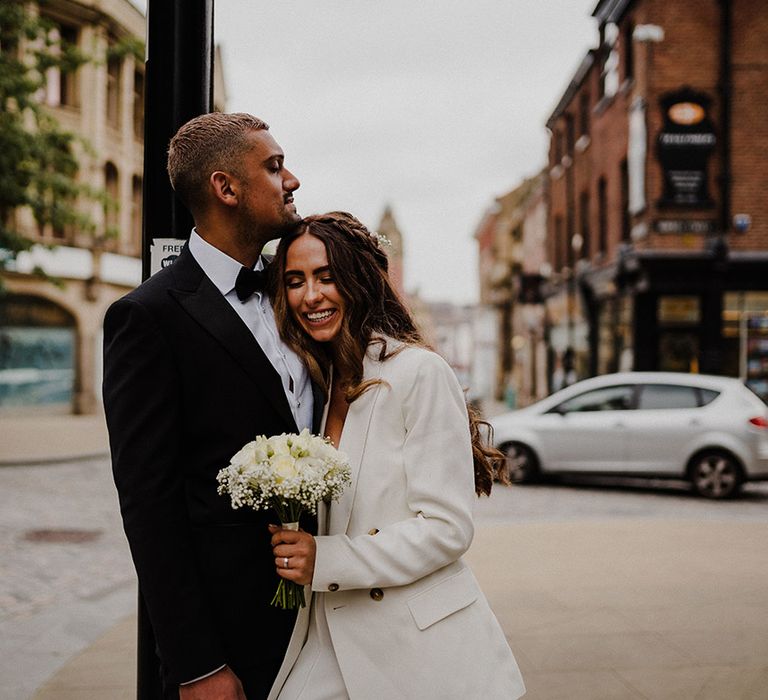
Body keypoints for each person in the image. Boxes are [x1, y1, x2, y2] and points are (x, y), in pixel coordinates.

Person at [102, 112, 321, 699]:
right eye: (274, 167)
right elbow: (150, 507)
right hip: (231, 637)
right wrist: (196, 662)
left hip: (328, 615)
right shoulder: (147, 318)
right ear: (226, 188)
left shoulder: (297, 292)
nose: (292, 179)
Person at [266, 212, 526, 699]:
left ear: (359, 280)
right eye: (295, 281)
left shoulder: (418, 373)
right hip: (326, 637)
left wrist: (326, 558)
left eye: (326, 276)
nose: (310, 295)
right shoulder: (314, 386)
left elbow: (447, 528)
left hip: (420, 652)